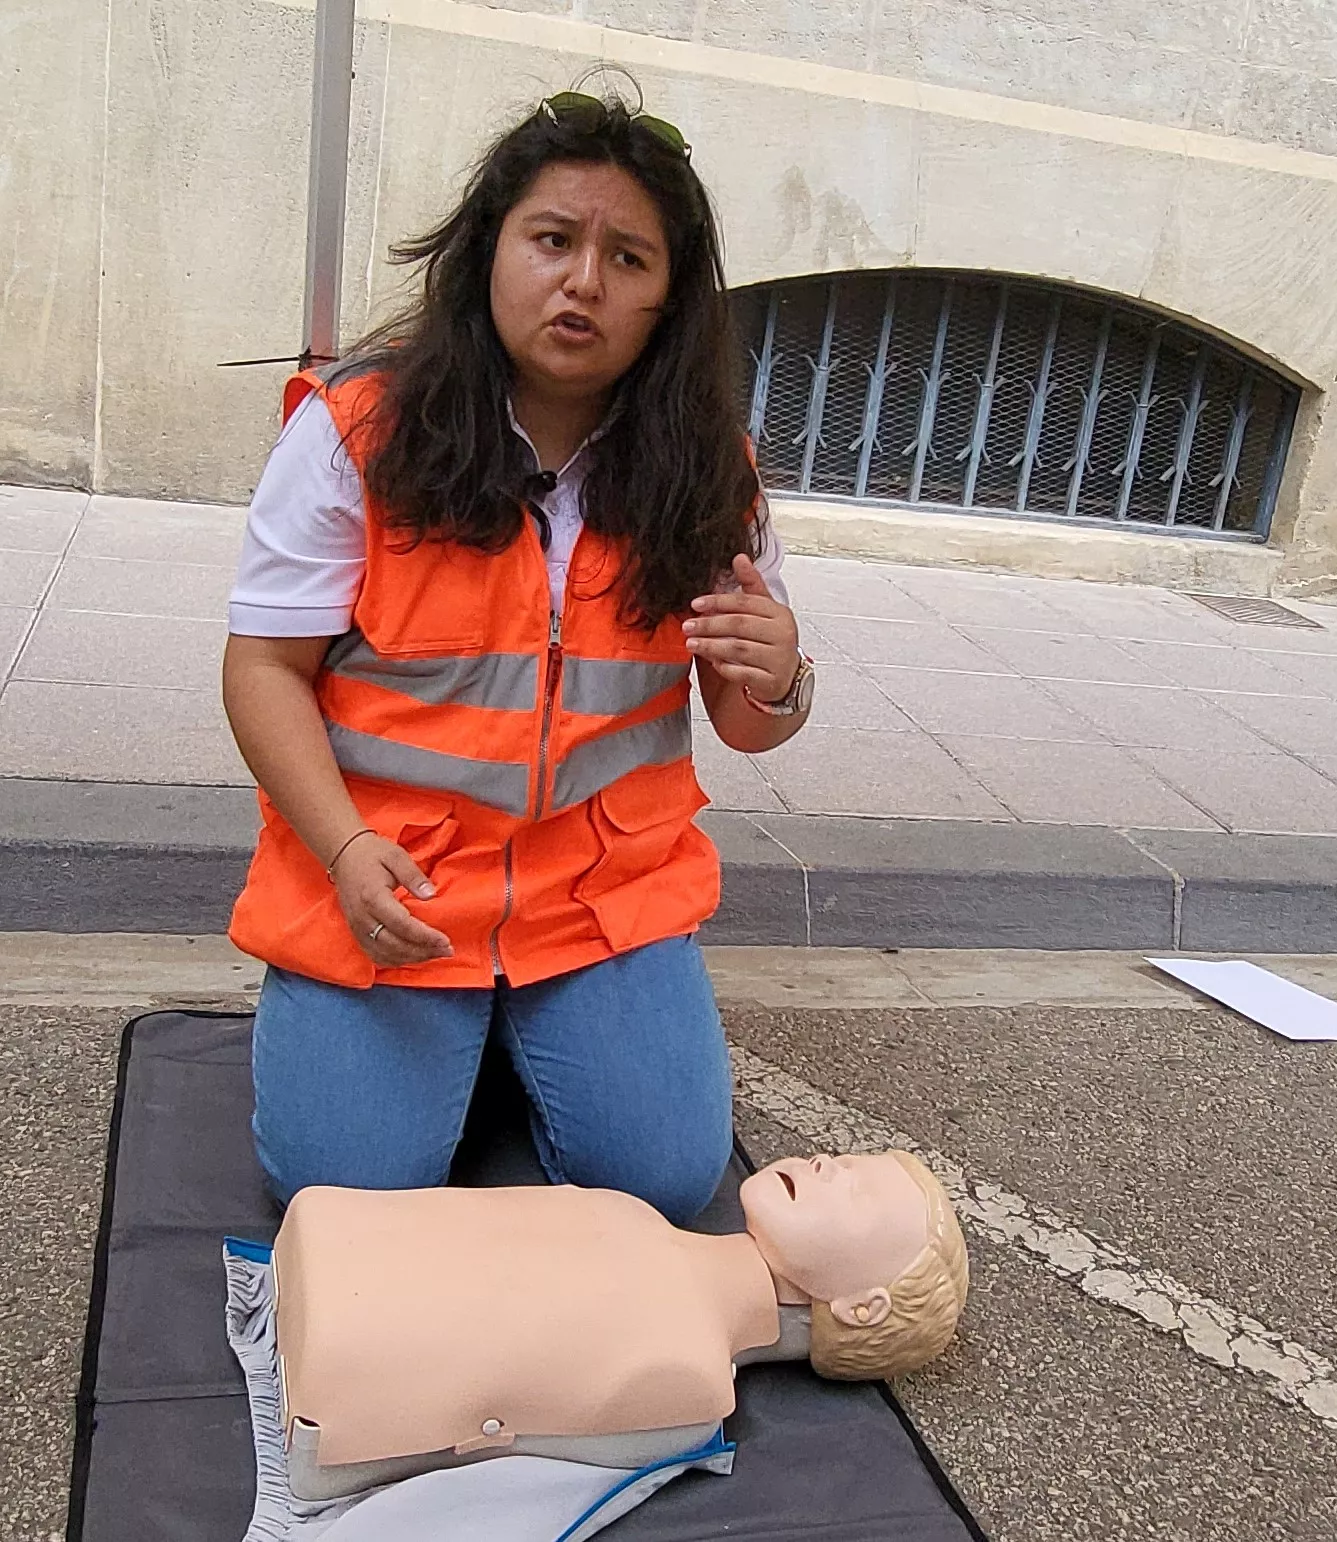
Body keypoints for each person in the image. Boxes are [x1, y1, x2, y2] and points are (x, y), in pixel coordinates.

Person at [221, 87, 815, 1226]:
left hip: (600, 902)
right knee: (340, 1193)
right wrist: (344, 849)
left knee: (667, 1182)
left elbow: (749, 723)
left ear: (667, 301)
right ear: (490, 250)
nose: (584, 280)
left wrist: (781, 674)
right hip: (389, 886)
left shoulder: (708, 470)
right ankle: (445, 1038)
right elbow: (262, 672)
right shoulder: (356, 431)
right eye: (553, 239)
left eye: (629, 258)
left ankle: (515, 1031)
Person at [269, 1150, 969, 1498]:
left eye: (857, 1190)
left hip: (335, 1373)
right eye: (848, 1159)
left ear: (861, 1306)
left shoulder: (686, 1377)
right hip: (327, 1260)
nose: (826, 1163)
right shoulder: (629, 1215)